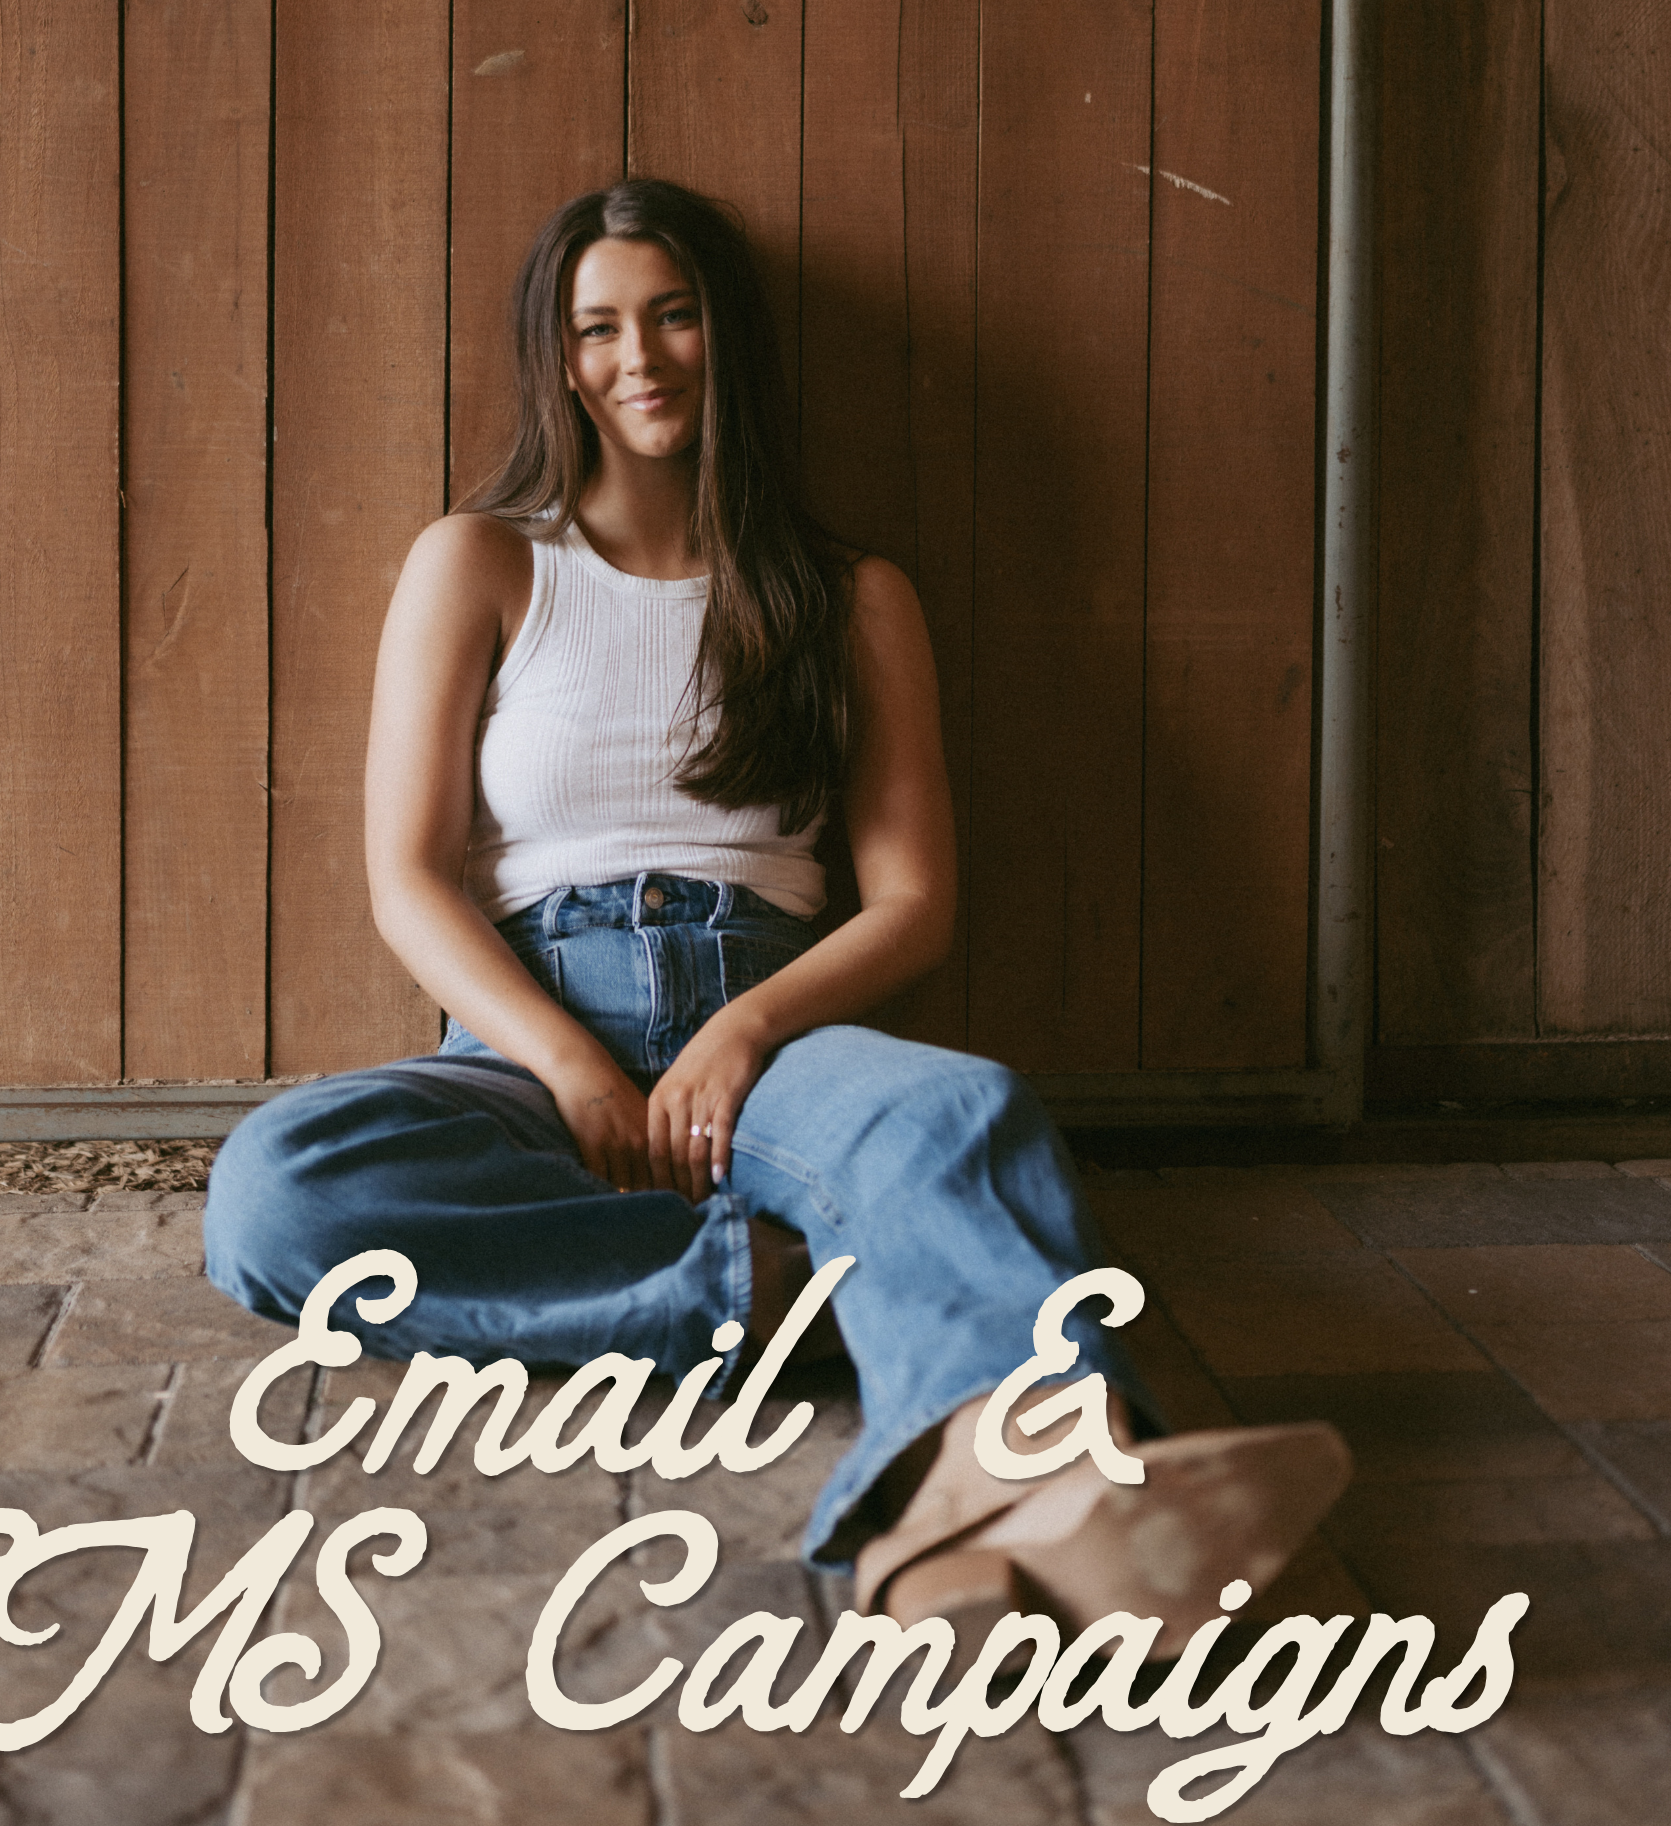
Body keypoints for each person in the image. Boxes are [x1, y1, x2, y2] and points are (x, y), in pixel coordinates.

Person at [205, 178, 1348, 1645]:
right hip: (527, 1025)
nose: (642, 358)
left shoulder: (847, 595)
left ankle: (1025, 1496)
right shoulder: (482, 561)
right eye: (600, 327)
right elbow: (409, 876)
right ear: (561, 360)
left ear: (725, 333)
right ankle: (762, 1284)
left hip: (778, 1025)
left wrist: (742, 1032)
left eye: (674, 315)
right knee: (279, 1193)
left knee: (959, 1115)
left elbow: (916, 903)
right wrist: (568, 1064)